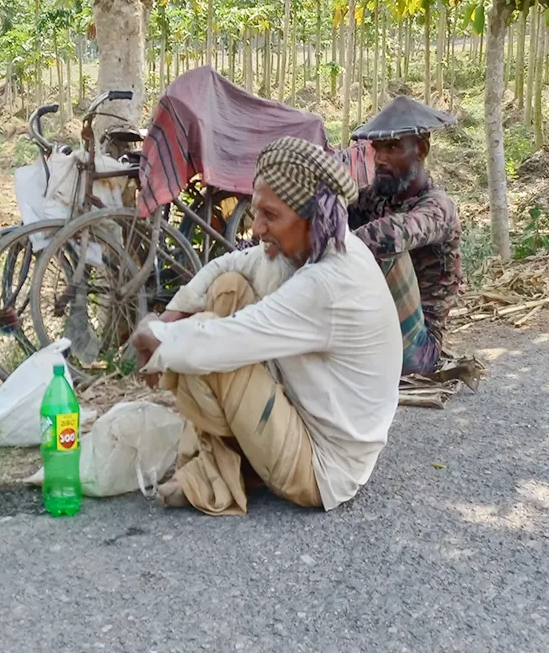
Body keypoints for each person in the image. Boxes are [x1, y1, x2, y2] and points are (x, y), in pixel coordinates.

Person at [129, 137, 401, 516]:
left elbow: (227, 341)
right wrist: (172, 316)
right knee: (229, 289)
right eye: (257, 213)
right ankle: (226, 464)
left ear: (313, 217)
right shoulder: (316, 245)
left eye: (270, 216)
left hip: (322, 469)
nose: (257, 228)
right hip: (301, 419)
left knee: (208, 348)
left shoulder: (328, 283)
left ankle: (212, 476)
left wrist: (155, 338)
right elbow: (231, 265)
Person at [348, 95, 463, 376]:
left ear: (421, 150)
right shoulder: (375, 198)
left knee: (386, 248)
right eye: (377, 148)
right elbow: (331, 217)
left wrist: (329, 247)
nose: (381, 159)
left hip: (417, 349)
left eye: (393, 147)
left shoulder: (438, 206)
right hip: (373, 331)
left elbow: (392, 234)